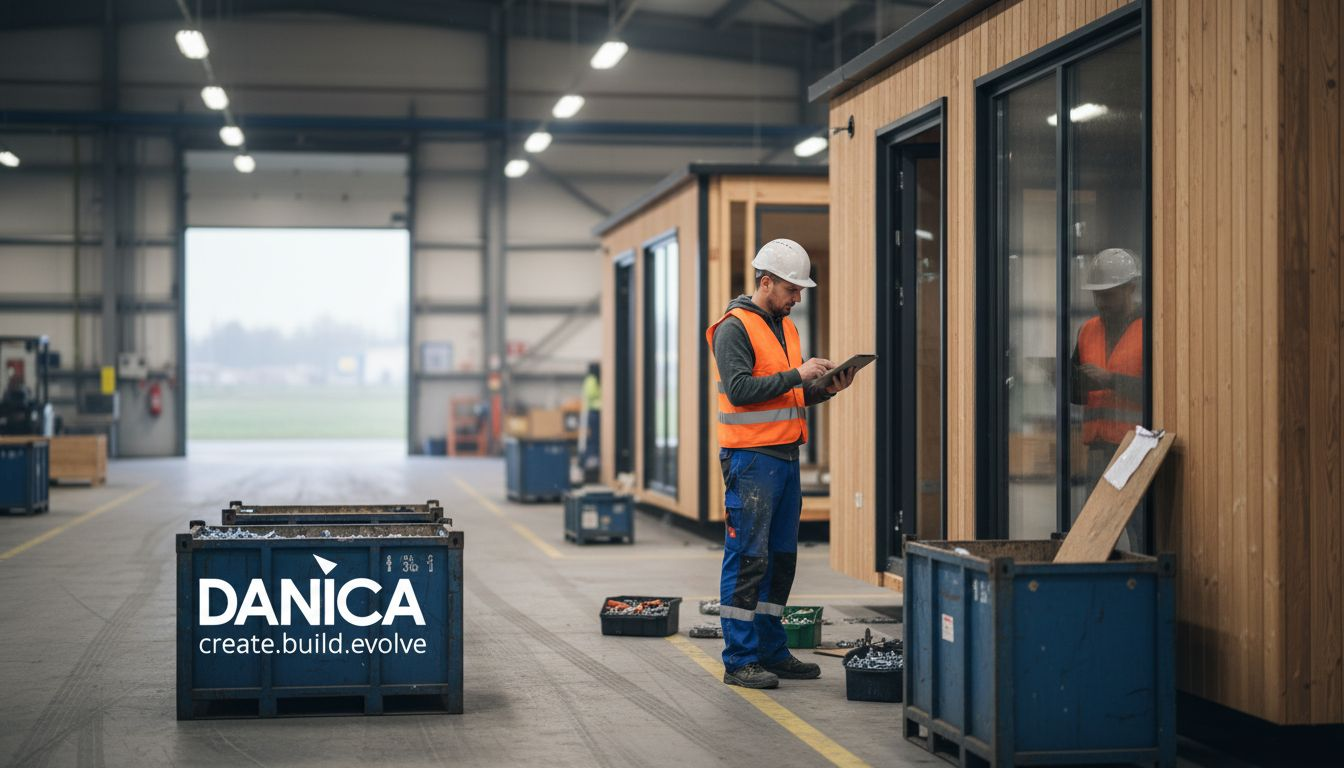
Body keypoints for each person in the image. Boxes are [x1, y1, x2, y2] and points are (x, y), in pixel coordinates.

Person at [705, 238, 855, 690]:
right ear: (765, 281)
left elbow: (787, 393)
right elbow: (740, 390)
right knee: (749, 558)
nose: (798, 298)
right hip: (751, 461)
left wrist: (825, 387)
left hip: (784, 458)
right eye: (792, 289)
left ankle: (772, 650)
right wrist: (798, 374)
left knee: (781, 560)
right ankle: (739, 659)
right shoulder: (734, 327)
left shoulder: (784, 327)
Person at [1070, 247, 1145, 548]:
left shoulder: (1150, 330)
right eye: (1097, 295)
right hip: (1099, 451)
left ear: (1130, 289)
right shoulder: (1087, 331)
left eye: (1109, 295)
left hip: (1136, 451)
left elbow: (1156, 389)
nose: (1102, 303)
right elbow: (1075, 394)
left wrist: (1110, 380)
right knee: (1096, 536)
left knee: (1141, 535)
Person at [579, 362, 601, 483]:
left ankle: (593, 461)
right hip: (594, 412)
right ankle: (591, 463)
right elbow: (593, 395)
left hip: (596, 412)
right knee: (593, 439)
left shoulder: (591, 379)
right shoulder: (592, 380)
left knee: (595, 439)